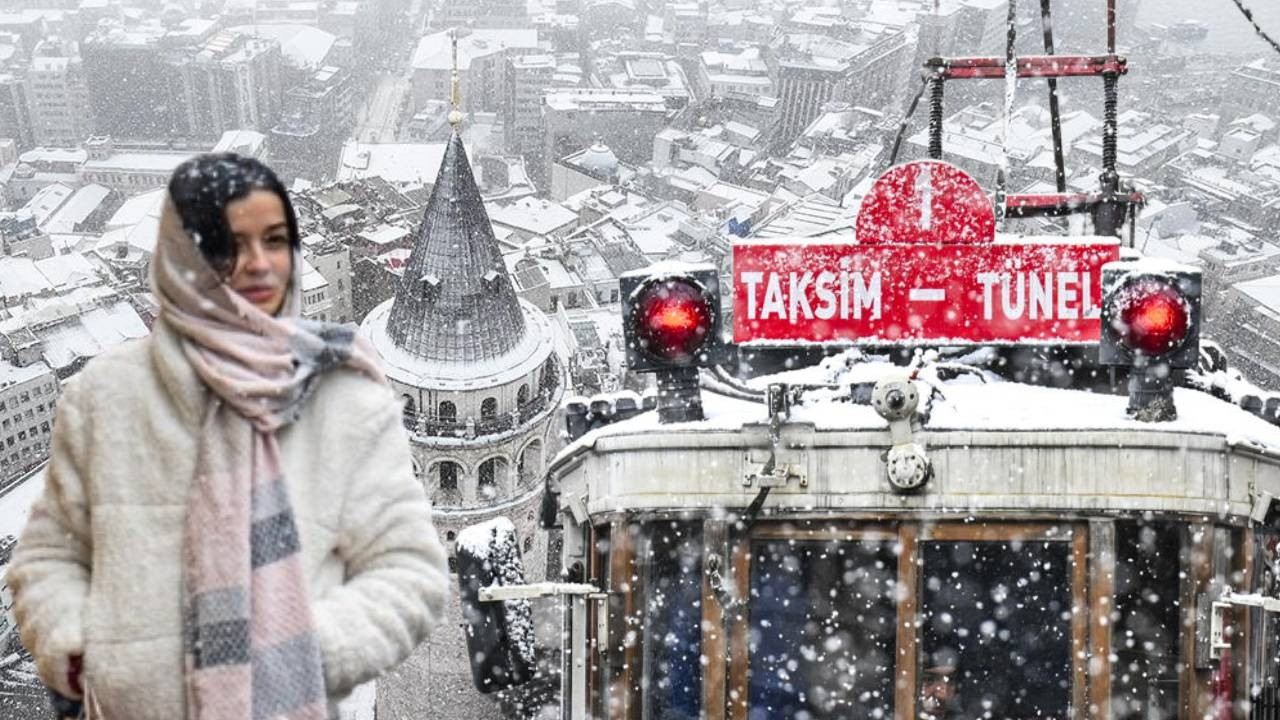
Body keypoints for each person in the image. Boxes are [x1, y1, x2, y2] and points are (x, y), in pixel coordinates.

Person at [8, 153, 450, 719]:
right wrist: (77, 645)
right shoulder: (106, 396)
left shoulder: (342, 394)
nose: (258, 264)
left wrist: (297, 655)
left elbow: (408, 571)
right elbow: (47, 556)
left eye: (275, 239)